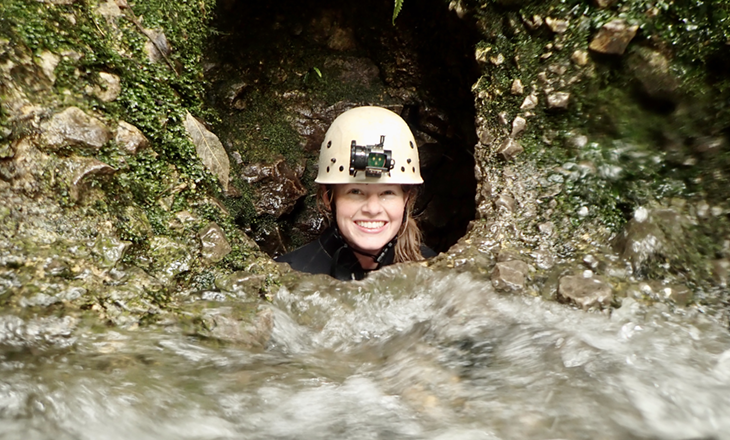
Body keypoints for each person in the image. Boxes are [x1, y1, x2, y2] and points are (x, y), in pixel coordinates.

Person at [276, 106, 436, 280]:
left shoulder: (435, 271)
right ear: (328, 198)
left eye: (387, 192)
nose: (373, 209)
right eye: (356, 192)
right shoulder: (287, 276)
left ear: (406, 199)